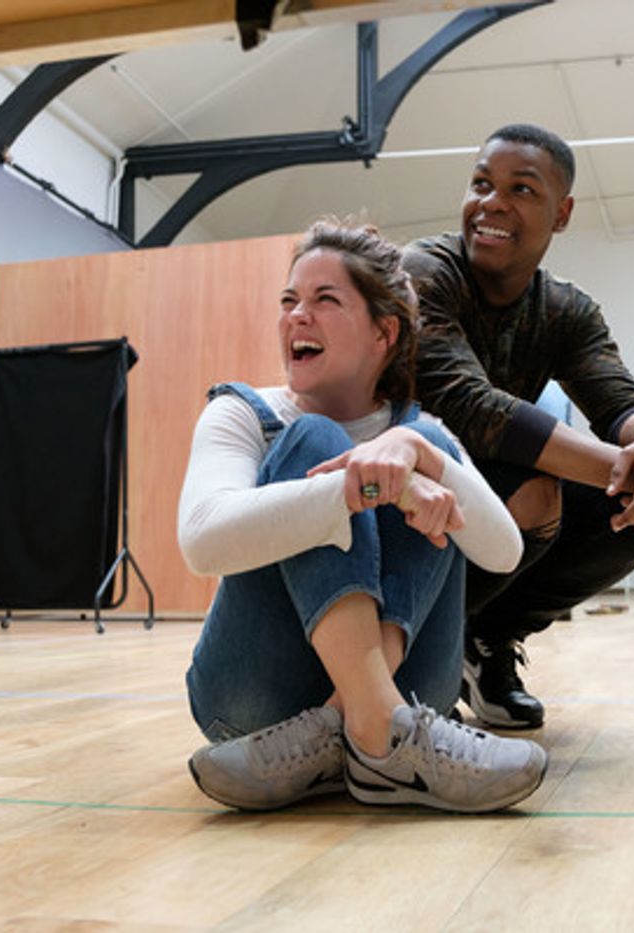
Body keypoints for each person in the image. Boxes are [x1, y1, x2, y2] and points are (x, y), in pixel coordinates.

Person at [178, 219, 547, 814]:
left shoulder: (425, 430)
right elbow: (202, 542)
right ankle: (378, 734)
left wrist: (421, 458)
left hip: (412, 690)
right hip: (249, 705)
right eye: (289, 301)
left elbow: (503, 551)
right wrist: (376, 490)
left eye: (325, 301)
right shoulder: (242, 413)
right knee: (314, 439)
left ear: (384, 332)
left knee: (424, 447)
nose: (298, 316)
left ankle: (346, 724)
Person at [401, 123, 634, 730]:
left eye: (521, 189)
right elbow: (472, 407)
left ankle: (487, 642)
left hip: (487, 501)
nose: (492, 202)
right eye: (482, 183)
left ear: (561, 214)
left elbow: (617, 397)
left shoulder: (567, 309)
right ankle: (416, 646)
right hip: (402, 499)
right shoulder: (423, 271)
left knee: (632, 513)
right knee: (540, 485)